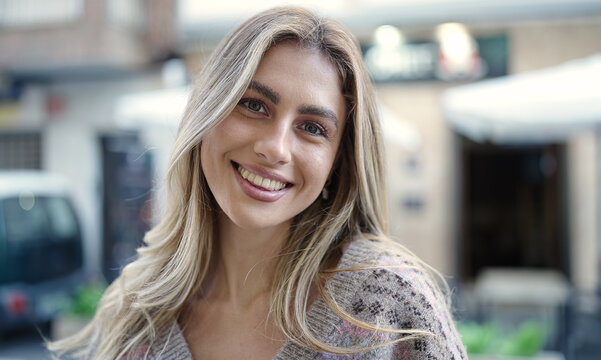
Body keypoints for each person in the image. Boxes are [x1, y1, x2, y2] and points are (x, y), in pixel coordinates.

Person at [48, 6, 467, 360]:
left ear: (338, 163)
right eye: (254, 105)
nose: (276, 148)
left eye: (313, 128)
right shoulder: (134, 313)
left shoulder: (391, 305)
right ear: (206, 114)